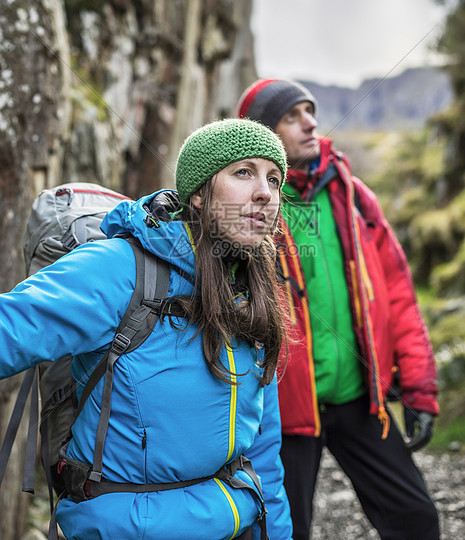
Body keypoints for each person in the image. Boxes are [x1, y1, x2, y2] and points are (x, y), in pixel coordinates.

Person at [0, 118, 293, 540]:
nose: (265, 192)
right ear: (198, 194)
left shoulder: (251, 289)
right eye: (243, 172)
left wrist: (278, 534)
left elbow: (262, 447)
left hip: (235, 525)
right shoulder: (121, 269)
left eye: (274, 179)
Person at [236, 79, 440, 540]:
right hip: (284, 412)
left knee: (417, 519)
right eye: (292, 116)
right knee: (283, 532)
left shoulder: (352, 196)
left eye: (310, 111)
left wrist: (418, 386)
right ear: (262, 133)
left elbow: (398, 293)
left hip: (359, 397)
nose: (310, 122)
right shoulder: (250, 205)